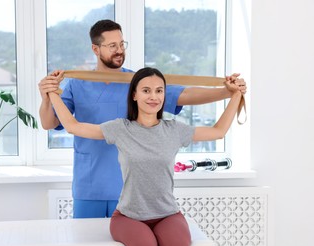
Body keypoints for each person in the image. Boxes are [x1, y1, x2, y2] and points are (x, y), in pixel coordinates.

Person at [38, 19, 247, 218]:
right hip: (89, 183)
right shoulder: (77, 84)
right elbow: (50, 123)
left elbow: (184, 94)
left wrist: (226, 92)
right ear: (96, 49)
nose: (119, 50)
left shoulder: (138, 82)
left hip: (130, 187)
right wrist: (47, 96)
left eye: (121, 43)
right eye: (112, 45)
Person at [49, 67, 243, 246]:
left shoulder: (175, 130)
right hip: (128, 217)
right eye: (146, 90)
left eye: (159, 91)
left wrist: (236, 95)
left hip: (168, 215)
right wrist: (52, 92)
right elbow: (73, 126)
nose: (153, 97)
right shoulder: (120, 129)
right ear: (134, 95)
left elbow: (218, 131)